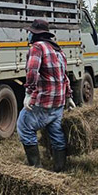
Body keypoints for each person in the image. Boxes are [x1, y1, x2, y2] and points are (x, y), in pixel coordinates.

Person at [16, 18, 73, 173]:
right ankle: (60, 168)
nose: (29, 35)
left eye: (30, 33)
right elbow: (64, 76)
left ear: (35, 34)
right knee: (56, 133)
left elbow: (32, 71)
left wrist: (28, 93)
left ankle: (36, 168)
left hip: (43, 101)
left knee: (24, 126)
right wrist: (68, 96)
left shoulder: (37, 47)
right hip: (58, 101)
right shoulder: (58, 50)